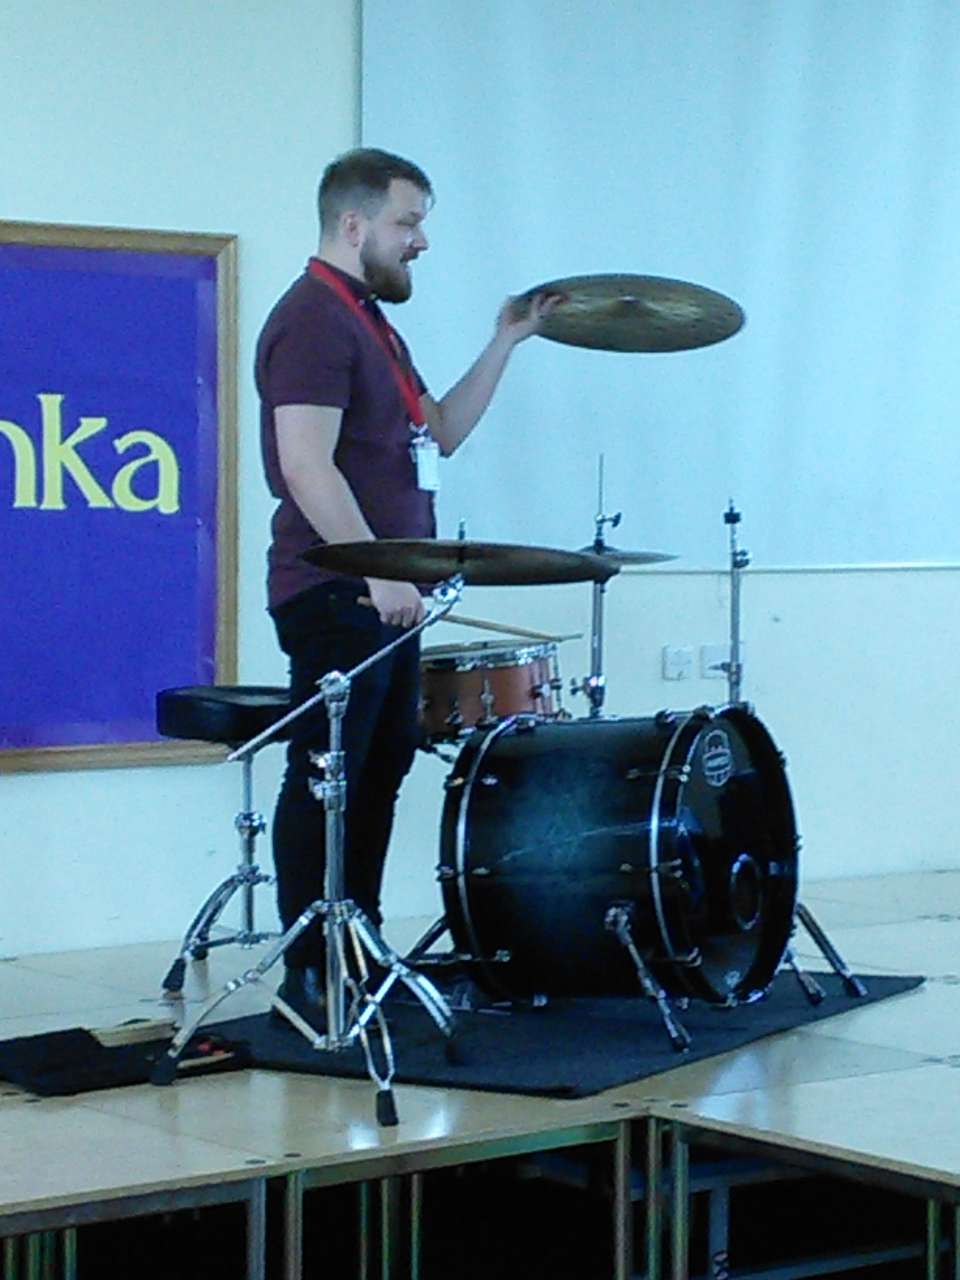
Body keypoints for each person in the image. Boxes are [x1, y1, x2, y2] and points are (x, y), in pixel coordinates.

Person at [255, 147, 553, 1026]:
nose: (420, 241)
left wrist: (505, 340)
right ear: (354, 224)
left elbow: (442, 431)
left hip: (386, 593)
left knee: (377, 773)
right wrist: (378, 569)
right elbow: (305, 465)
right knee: (328, 774)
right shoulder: (313, 319)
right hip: (338, 590)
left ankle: (360, 947)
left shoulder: (368, 322)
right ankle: (313, 969)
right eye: (408, 222)